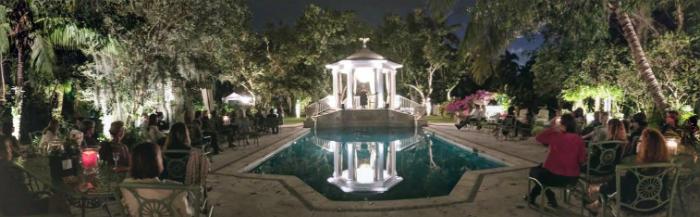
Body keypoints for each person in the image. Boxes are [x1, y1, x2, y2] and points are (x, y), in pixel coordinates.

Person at [584, 129, 670, 215]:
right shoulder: (667, 168)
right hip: (658, 206)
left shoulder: (635, 171)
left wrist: (598, 188)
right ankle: (595, 205)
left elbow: (617, 188)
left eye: (640, 141)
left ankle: (595, 206)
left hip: (633, 208)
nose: (637, 143)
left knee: (610, 191)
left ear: (647, 147)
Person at [527, 114, 587, 208]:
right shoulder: (579, 139)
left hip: (555, 178)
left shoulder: (556, 136)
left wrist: (553, 129)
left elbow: (539, 138)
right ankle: (533, 197)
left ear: (562, 125)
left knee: (533, 172)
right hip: (573, 179)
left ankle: (549, 196)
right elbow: (582, 160)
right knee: (542, 173)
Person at [120, 142, 192, 217]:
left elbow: (126, 209)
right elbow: (186, 214)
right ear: (157, 161)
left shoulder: (126, 185)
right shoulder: (175, 188)